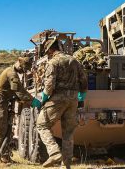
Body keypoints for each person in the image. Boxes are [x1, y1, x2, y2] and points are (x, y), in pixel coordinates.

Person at [37, 39, 88, 168]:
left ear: (50, 50)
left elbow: (49, 86)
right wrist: (81, 96)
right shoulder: (74, 60)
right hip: (73, 100)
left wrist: (43, 98)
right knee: (68, 133)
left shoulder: (52, 62)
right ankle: (66, 165)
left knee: (42, 125)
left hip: (57, 99)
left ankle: (54, 153)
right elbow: (84, 80)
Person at [0, 57, 41, 163]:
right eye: (23, 69)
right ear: (19, 64)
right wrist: (33, 101)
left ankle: (5, 157)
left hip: (4, 102)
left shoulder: (13, 73)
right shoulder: (11, 73)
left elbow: (17, 92)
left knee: (6, 131)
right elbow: (19, 91)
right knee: (0, 130)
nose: (23, 71)